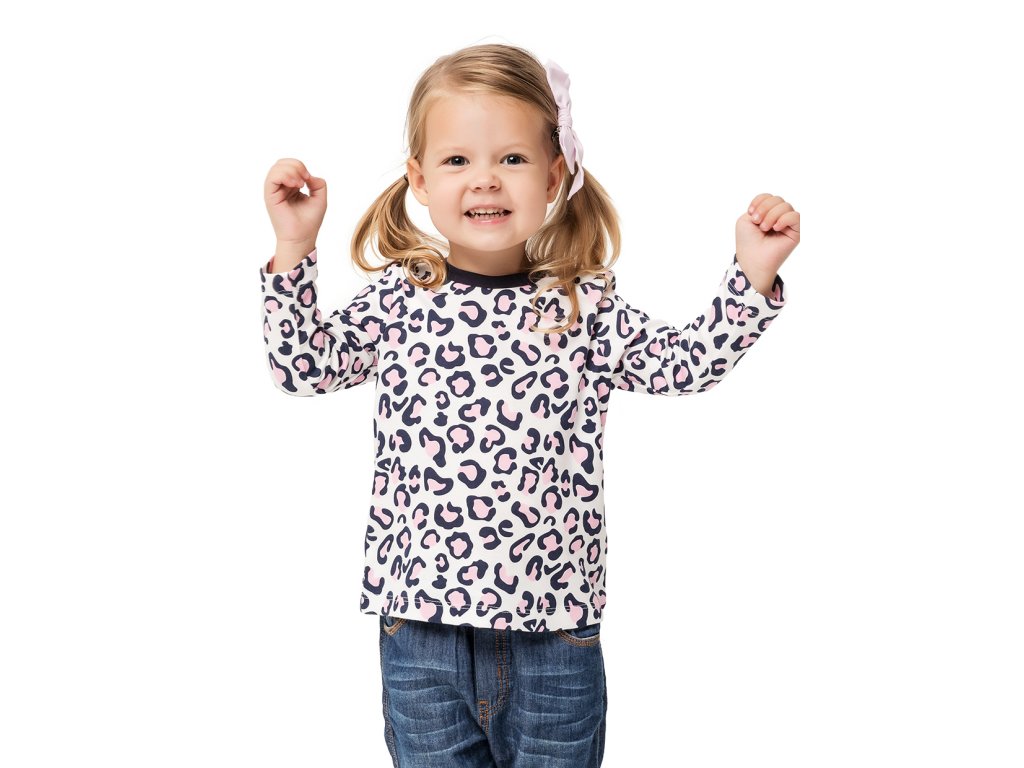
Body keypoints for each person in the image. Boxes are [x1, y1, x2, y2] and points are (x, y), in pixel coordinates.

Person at [259, 42, 799, 768]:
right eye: (457, 160)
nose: (484, 178)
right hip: (420, 634)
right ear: (419, 178)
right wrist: (294, 246)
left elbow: (685, 366)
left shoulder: (581, 305)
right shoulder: (401, 297)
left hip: (554, 635)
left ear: (553, 175)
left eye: (511, 158)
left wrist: (751, 278)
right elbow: (303, 368)